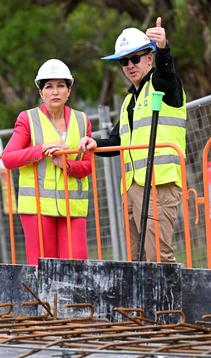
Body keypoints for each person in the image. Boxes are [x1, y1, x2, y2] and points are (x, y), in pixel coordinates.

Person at [78, 17, 186, 263]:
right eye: (124, 61)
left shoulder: (163, 86)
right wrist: (96, 145)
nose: (129, 65)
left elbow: (167, 74)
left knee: (158, 255)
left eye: (135, 58)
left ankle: (169, 303)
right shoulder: (130, 101)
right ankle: (144, 303)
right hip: (132, 187)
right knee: (136, 259)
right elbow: (117, 140)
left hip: (160, 183)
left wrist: (164, 49)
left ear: (150, 58)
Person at [2, 59, 92, 265]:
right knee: (42, 269)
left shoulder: (82, 120)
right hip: (38, 209)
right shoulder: (27, 119)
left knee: (77, 267)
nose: (55, 92)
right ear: (41, 93)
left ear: (69, 90)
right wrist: (41, 149)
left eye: (61, 85)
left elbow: (87, 166)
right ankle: (45, 300)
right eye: (49, 86)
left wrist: (66, 165)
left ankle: (76, 300)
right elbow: (8, 158)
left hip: (73, 208)